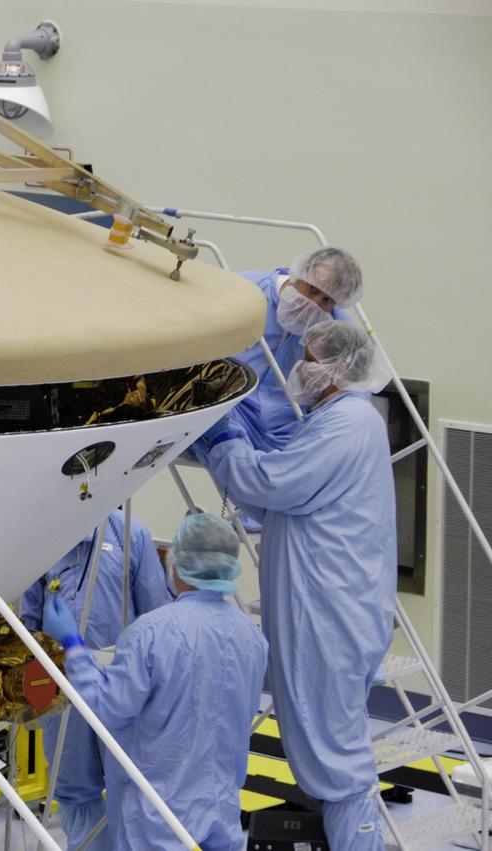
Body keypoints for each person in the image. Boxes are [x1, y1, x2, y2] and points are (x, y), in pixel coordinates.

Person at [202, 319, 395, 850]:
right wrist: (236, 457)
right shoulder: (336, 418)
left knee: (336, 754)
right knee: (327, 739)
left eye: (308, 358)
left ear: (336, 368)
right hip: (330, 603)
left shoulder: (348, 423)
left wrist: (225, 443)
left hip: (329, 611)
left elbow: (275, 483)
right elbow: (275, 495)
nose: (297, 367)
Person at [42, 513, 267, 850]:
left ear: (178, 563)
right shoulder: (251, 635)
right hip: (221, 808)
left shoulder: (151, 633)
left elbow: (107, 708)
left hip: (157, 817)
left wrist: (73, 646)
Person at [20, 509, 172, 850]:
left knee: (129, 783)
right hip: (63, 688)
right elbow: (29, 621)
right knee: (72, 786)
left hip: (121, 685)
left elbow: (155, 617)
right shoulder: (45, 536)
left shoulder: (130, 534)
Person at [229, 247, 363, 452]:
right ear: (299, 274)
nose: (314, 303)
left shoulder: (336, 328)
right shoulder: (245, 290)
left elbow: (356, 388)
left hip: (284, 429)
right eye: (312, 289)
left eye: (327, 300)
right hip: (227, 407)